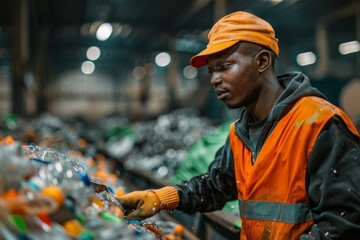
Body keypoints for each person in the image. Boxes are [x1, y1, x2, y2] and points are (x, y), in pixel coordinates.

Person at [116, 11, 360, 239]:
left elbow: (342, 225)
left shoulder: (320, 125)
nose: (214, 79)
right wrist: (161, 198)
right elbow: (215, 186)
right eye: (211, 71)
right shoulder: (239, 134)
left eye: (224, 67)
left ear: (262, 61)